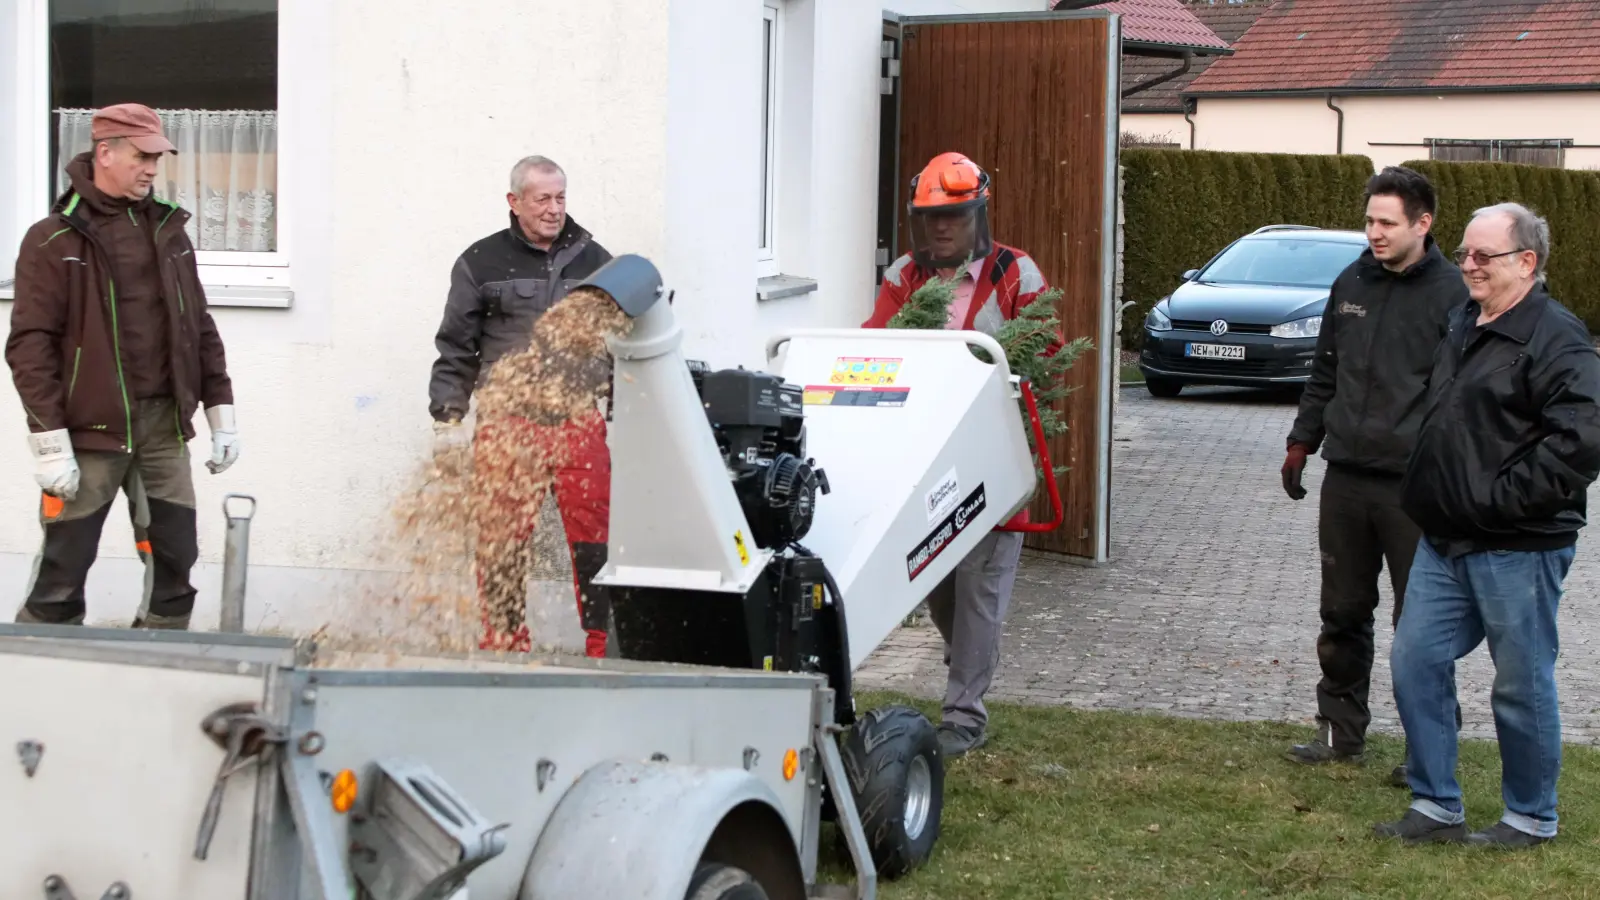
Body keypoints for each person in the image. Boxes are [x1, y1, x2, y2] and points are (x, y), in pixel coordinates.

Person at [1376, 203, 1600, 848]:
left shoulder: (1558, 337)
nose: (1466, 265)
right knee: (1415, 661)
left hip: (1518, 546)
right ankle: (1436, 805)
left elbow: (1580, 444)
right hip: (1445, 540)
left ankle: (1530, 817)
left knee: (1520, 681)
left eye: (1484, 256)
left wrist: (1499, 500)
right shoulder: (1464, 322)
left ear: (1526, 263)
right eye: (1465, 252)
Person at [7, 102, 239, 630]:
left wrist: (221, 412)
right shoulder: (52, 239)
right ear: (105, 153)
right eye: (142, 156)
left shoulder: (169, 232)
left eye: (157, 158)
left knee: (177, 562)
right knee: (64, 568)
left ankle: (157, 665)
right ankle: (36, 668)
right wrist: (49, 441)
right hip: (90, 430)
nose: (152, 169)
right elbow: (29, 346)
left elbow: (198, 327)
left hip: (162, 427)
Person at [863, 151, 1055, 758]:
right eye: (930, 220)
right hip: (924, 462)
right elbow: (875, 343)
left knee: (979, 584)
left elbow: (1041, 357)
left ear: (978, 215)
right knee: (937, 581)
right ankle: (968, 658)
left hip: (995, 460)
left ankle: (964, 714)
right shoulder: (903, 277)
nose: (941, 230)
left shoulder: (1017, 275)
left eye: (954, 217)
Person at [1280, 166, 1468, 783]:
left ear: (1424, 223)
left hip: (1415, 488)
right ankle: (1339, 731)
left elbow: (1466, 392)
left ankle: (1427, 750)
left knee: (1420, 627)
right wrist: (1302, 440)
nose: (1375, 233)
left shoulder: (1452, 294)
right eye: (1369, 221)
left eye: (1387, 223)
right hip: (1347, 478)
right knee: (1342, 611)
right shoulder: (1350, 281)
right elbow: (1324, 370)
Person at [429, 155, 614, 656]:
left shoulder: (596, 261)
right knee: (503, 541)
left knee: (596, 540)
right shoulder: (480, 263)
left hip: (578, 420)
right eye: (542, 199)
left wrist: (624, 406)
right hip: (508, 424)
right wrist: (447, 420)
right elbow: (455, 347)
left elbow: (622, 344)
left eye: (560, 198)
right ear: (515, 202)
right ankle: (506, 641)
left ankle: (603, 645)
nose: (554, 210)